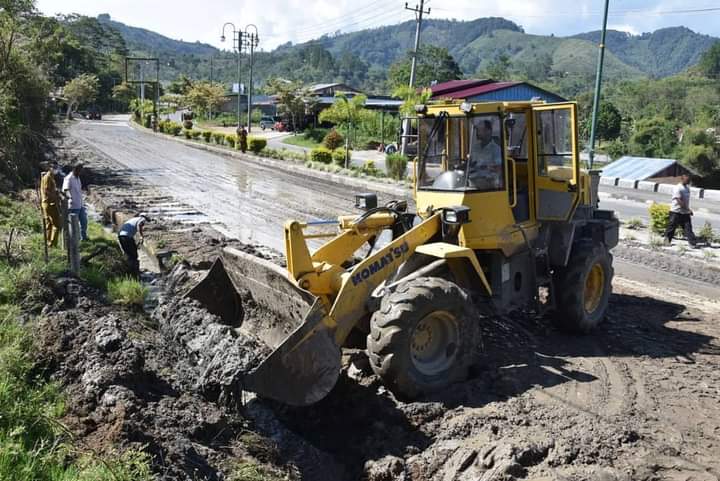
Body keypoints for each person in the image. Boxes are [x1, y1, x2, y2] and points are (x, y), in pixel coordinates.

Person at [665, 173, 697, 247]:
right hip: (676, 211)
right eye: (687, 180)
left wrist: (687, 210)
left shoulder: (687, 188)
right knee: (671, 228)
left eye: (689, 180)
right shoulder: (678, 188)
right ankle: (666, 241)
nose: (689, 181)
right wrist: (688, 209)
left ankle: (692, 243)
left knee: (688, 228)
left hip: (685, 212)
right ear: (682, 179)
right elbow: (678, 200)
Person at [468, 119, 503, 188]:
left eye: (480, 130)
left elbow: (500, 168)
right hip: (473, 179)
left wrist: (486, 167)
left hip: (490, 182)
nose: (478, 133)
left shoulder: (496, 149)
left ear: (488, 131)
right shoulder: (475, 147)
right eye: (477, 130)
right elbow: (471, 162)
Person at [62, 163, 88, 241]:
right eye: (79, 170)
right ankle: (74, 239)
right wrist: (70, 197)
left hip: (80, 204)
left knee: (84, 222)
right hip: (73, 205)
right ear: (75, 169)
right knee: (74, 224)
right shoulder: (68, 178)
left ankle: (83, 238)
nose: (80, 172)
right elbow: (65, 190)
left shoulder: (77, 178)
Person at [40, 162, 62, 247]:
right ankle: (53, 244)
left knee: (49, 224)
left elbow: (51, 189)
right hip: (49, 203)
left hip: (48, 203)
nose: (56, 169)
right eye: (54, 167)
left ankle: (48, 243)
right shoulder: (47, 177)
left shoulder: (51, 177)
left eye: (56, 167)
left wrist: (56, 192)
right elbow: (47, 191)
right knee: (56, 225)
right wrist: (56, 197)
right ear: (50, 168)